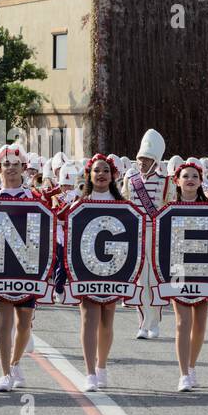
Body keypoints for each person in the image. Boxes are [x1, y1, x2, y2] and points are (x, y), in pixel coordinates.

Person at [63, 154, 128, 391]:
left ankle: (102, 366)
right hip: (86, 267)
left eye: (106, 171)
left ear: (113, 176)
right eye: (97, 170)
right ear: (89, 175)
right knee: (89, 317)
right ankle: (90, 372)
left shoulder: (123, 205)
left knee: (107, 320)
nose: (101, 174)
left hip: (113, 268)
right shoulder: (78, 205)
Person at [0, 146, 42, 392]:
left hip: (27, 265)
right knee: (4, 323)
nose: (10, 168)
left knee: (24, 323)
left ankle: (16, 362)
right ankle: (5, 373)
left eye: (15, 164)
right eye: (6, 164)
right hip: (1, 265)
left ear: (23, 168)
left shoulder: (34, 198)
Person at [122, 129, 172, 340]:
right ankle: (142, 323)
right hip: (137, 234)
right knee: (140, 282)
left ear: (155, 161)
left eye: (147, 159)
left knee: (155, 281)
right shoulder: (130, 179)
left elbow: (169, 210)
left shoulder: (165, 181)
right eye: (140, 158)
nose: (142, 162)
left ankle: (155, 322)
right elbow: (125, 204)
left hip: (157, 236)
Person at [169, 162, 208, 392]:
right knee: (182, 322)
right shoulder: (169, 208)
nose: (190, 179)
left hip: (203, 268)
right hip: (178, 269)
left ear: (200, 181)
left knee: (199, 325)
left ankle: (192, 365)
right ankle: (183, 373)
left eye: (194, 176)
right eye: (185, 176)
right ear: (177, 181)